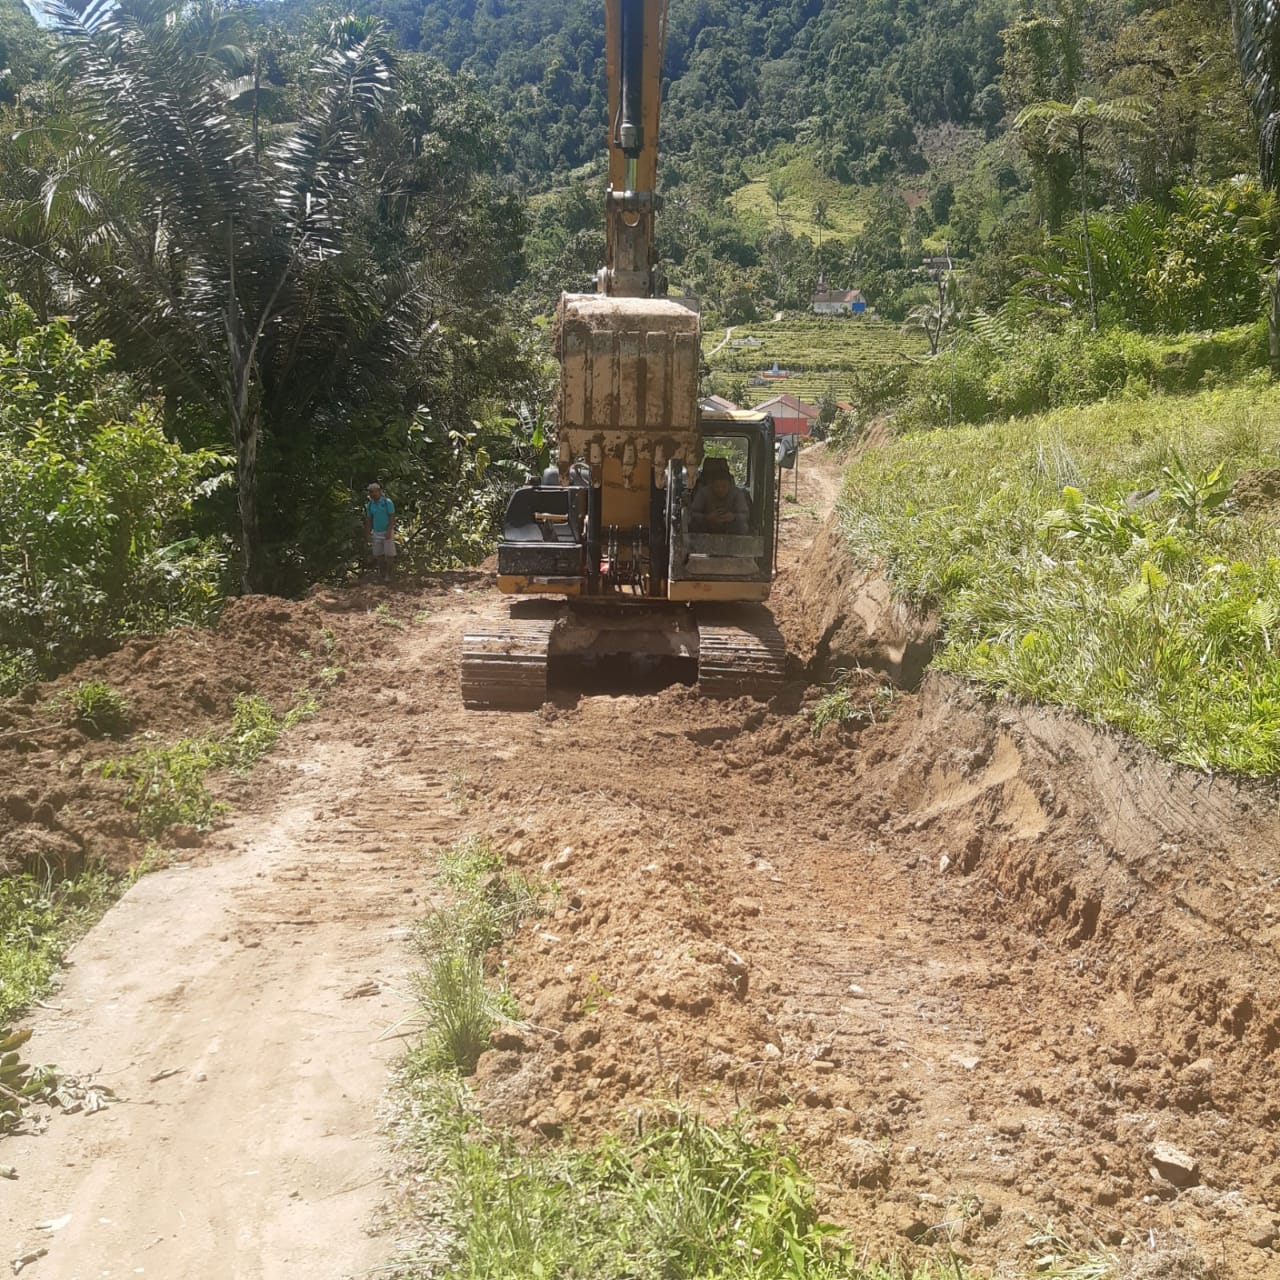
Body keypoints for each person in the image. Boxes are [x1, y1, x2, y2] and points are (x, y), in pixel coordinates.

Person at [690, 456, 749, 535]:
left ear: (730, 485)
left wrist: (734, 517)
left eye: (724, 486)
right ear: (711, 485)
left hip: (731, 530)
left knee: (743, 526)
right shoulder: (703, 493)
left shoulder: (737, 494)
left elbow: (745, 515)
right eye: (717, 486)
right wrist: (707, 517)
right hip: (706, 529)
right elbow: (692, 514)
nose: (721, 489)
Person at [364, 482, 396, 580]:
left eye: (374, 492)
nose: (373, 494)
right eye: (370, 493)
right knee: (379, 555)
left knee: (389, 555)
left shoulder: (387, 502)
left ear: (379, 491)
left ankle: (389, 575)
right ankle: (382, 574)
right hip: (376, 532)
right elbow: (369, 519)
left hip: (386, 531)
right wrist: (368, 533)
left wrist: (389, 531)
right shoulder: (370, 505)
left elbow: (392, 517)